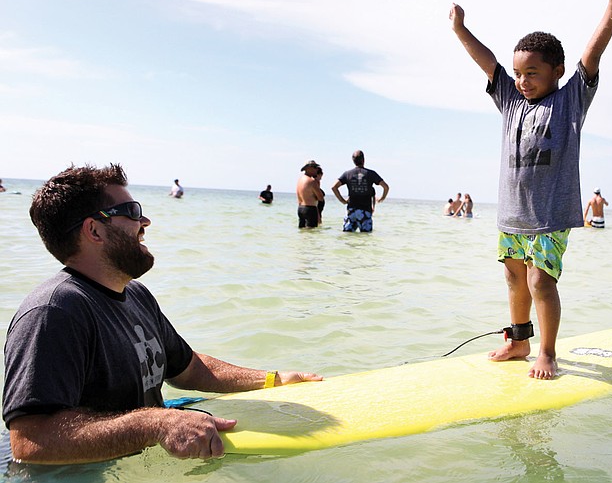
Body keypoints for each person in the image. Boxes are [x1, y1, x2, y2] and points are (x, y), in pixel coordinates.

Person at [2, 164, 321, 464]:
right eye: (132, 212)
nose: (145, 222)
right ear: (95, 231)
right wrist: (156, 423)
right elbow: (30, 441)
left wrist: (271, 381)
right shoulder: (53, 312)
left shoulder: (135, 296)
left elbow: (189, 368)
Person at [450, 0, 612, 379]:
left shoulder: (570, 100)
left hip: (550, 216)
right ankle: (519, 341)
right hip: (512, 216)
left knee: (540, 281)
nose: (523, 80)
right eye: (519, 73)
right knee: (514, 277)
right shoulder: (511, 101)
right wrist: (460, 29)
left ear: (557, 72)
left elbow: (593, 54)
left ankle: (547, 353)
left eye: (532, 73)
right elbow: (489, 64)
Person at [331, 150, 389, 232]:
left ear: (353, 161)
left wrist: (343, 200)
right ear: (363, 160)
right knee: (365, 239)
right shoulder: (371, 173)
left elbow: (334, 187)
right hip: (365, 210)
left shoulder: (347, 174)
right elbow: (385, 187)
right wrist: (382, 198)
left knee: (348, 237)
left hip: (351, 210)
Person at [296, 160, 324, 229]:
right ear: (309, 168)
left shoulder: (300, 180)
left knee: (302, 232)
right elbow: (320, 198)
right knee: (311, 233)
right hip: (310, 209)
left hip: (300, 209)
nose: (316, 169)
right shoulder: (312, 181)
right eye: (315, 167)